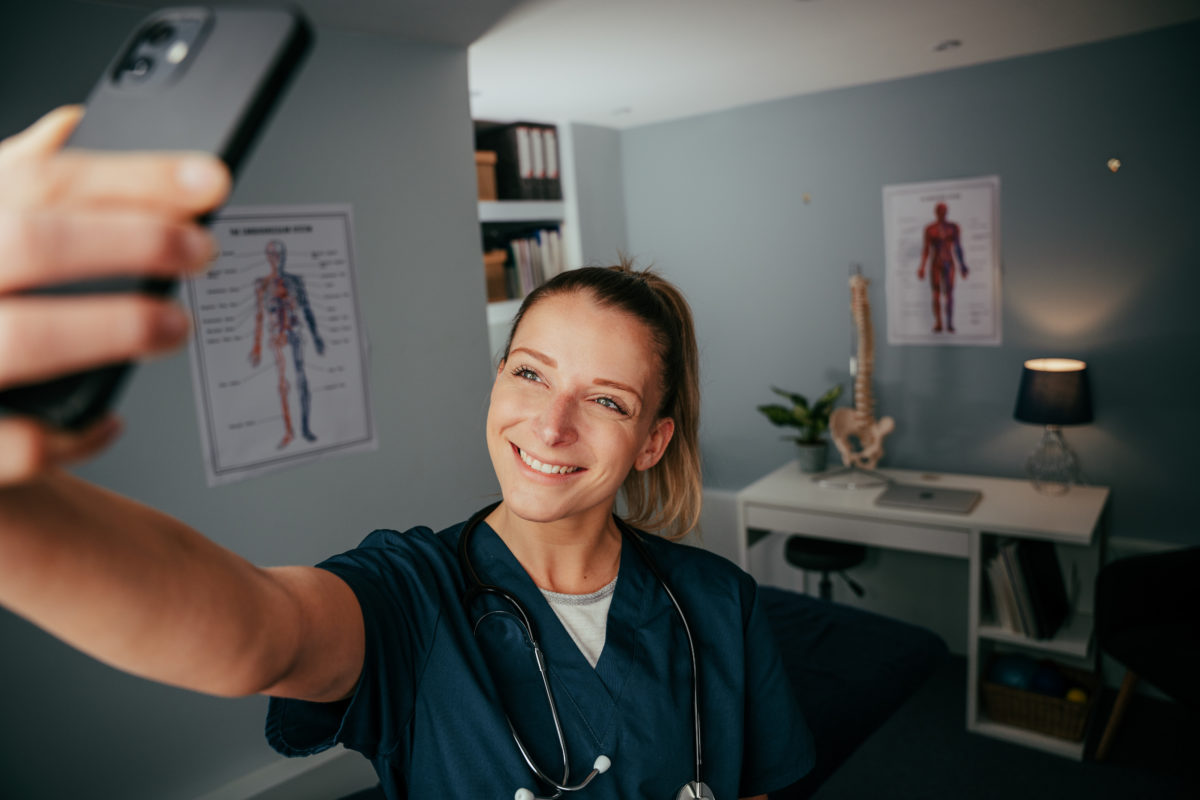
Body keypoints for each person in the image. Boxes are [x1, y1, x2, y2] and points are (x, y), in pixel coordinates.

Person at [0, 108, 813, 799]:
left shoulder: (719, 603)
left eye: (608, 400)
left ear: (652, 442)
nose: (552, 424)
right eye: (531, 374)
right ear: (498, 382)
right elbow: (256, 631)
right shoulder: (412, 594)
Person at [916, 201, 969, 333]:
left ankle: (949, 322)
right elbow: (926, 249)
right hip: (936, 263)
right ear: (936, 213)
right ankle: (939, 322)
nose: (942, 214)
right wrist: (922, 266)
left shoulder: (953, 227)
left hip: (949, 262)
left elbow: (958, 247)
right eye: (940, 211)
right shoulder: (930, 229)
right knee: (936, 294)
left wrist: (962, 265)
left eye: (944, 211)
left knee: (949, 294)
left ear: (946, 212)